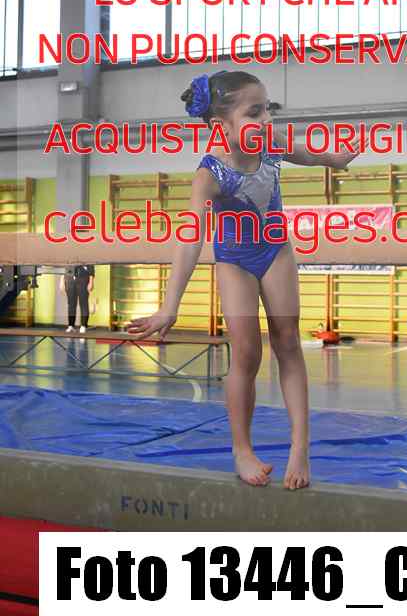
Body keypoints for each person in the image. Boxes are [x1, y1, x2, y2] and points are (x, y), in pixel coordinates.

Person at [126, 70, 363, 489]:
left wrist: (335, 159)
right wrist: (170, 305)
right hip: (234, 259)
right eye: (254, 112)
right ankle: (242, 449)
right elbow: (190, 238)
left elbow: (305, 154)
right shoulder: (210, 174)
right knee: (247, 354)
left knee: (288, 342)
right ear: (222, 125)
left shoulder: (270, 144)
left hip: (275, 250)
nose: (266, 119)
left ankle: (300, 448)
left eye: (267, 109)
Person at [60, 264, 95, 334]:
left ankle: (83, 326)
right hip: (69, 277)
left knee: (83, 303)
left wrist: (91, 281)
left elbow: (91, 266)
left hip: (83, 277)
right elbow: (64, 265)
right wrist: (62, 281)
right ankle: (71, 325)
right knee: (71, 304)